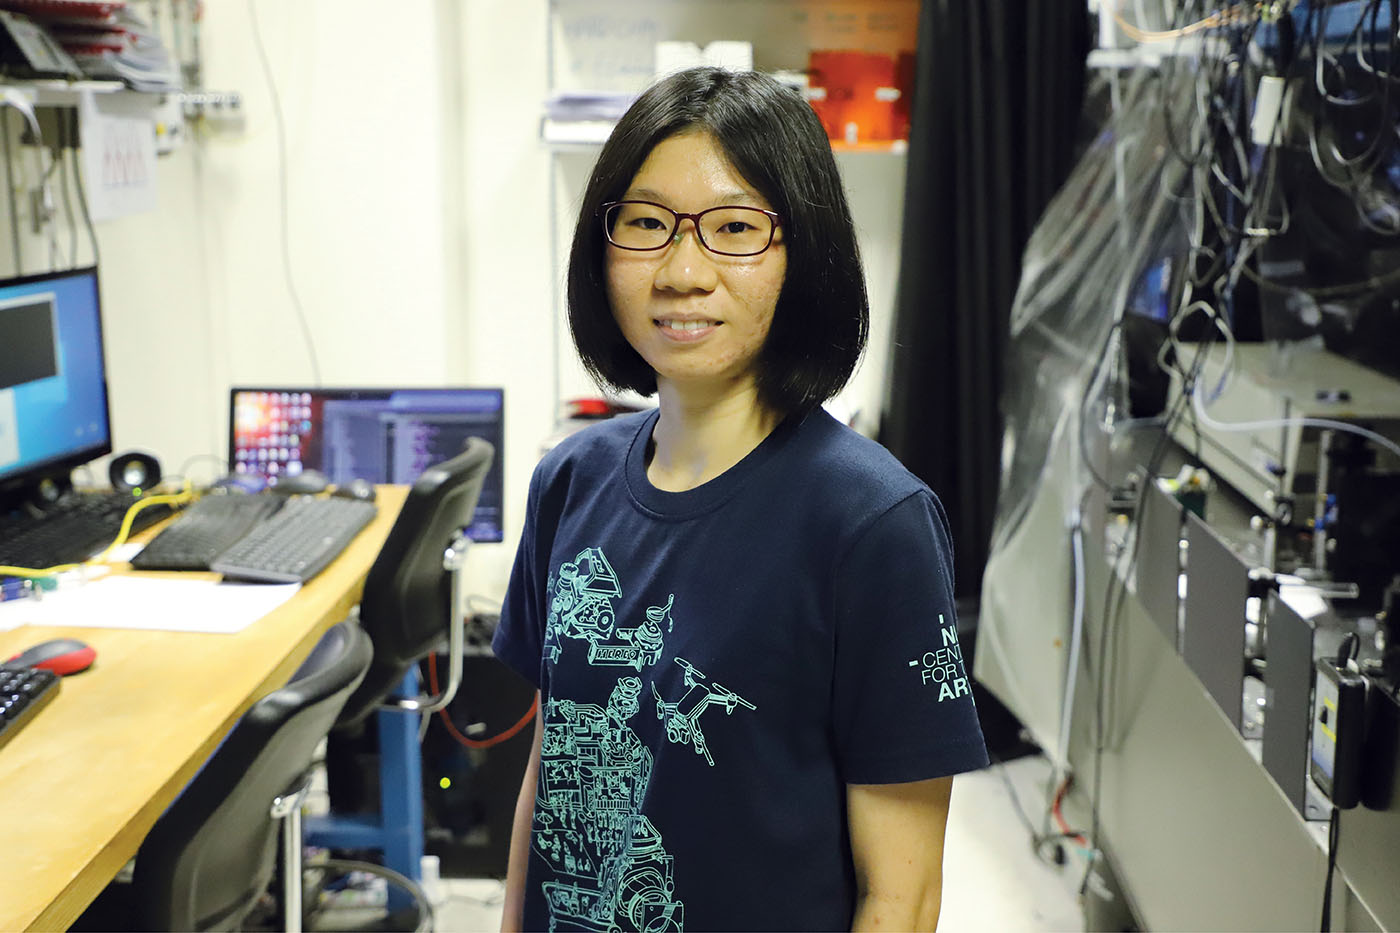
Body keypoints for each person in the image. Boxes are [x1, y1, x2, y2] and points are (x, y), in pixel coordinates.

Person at [492, 66, 988, 933]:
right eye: (646, 224)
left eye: (733, 229)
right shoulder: (567, 482)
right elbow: (554, 762)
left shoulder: (871, 524)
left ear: (805, 252)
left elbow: (902, 896)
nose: (683, 271)